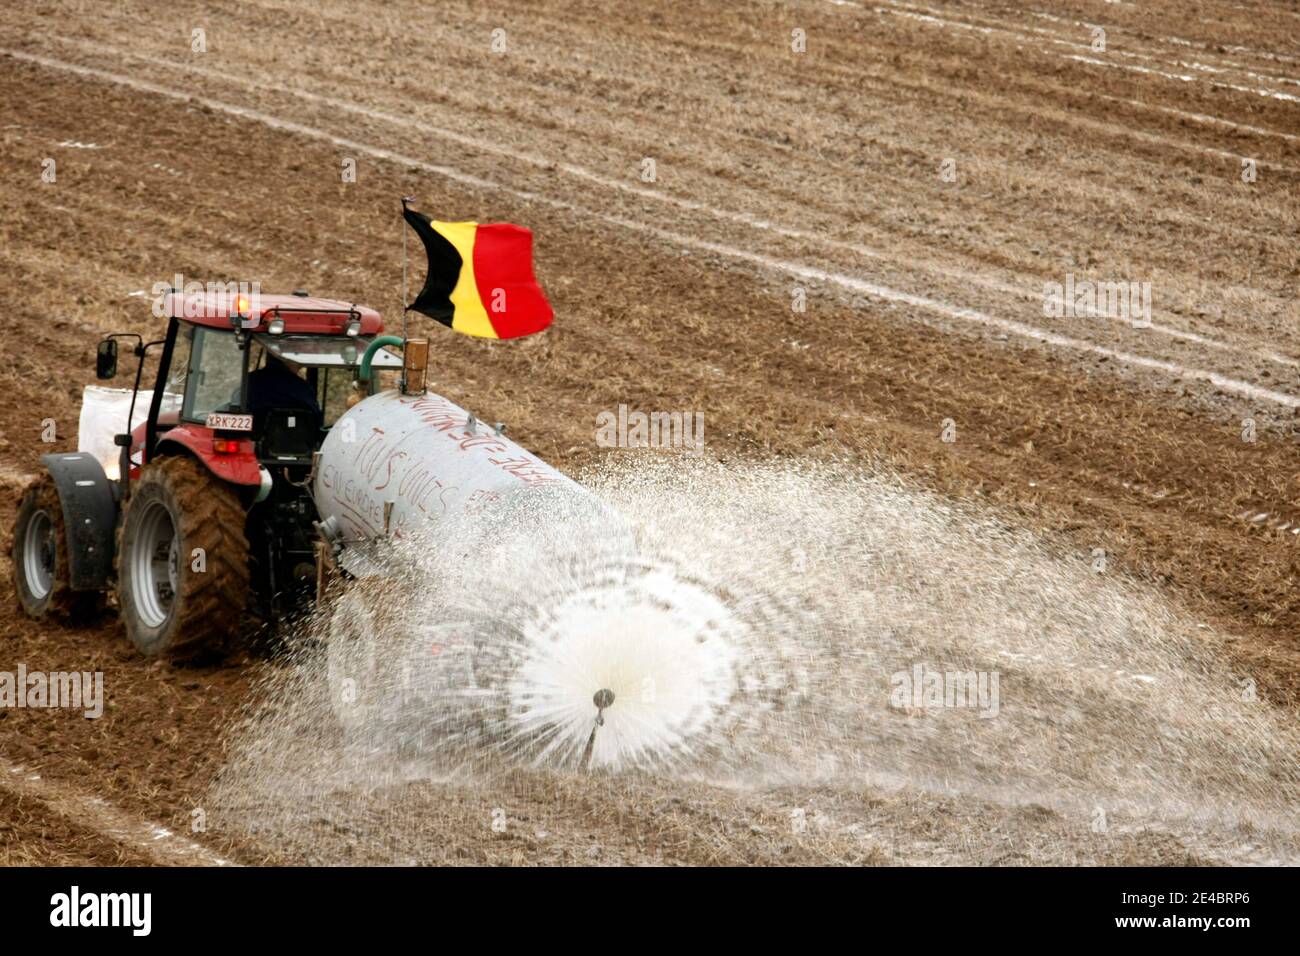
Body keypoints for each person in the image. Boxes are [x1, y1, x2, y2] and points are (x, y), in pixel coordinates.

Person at [246, 354, 320, 415]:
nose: (300, 366)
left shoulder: (247, 381)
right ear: (288, 359)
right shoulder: (303, 388)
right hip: (294, 432)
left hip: (250, 432)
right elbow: (315, 419)